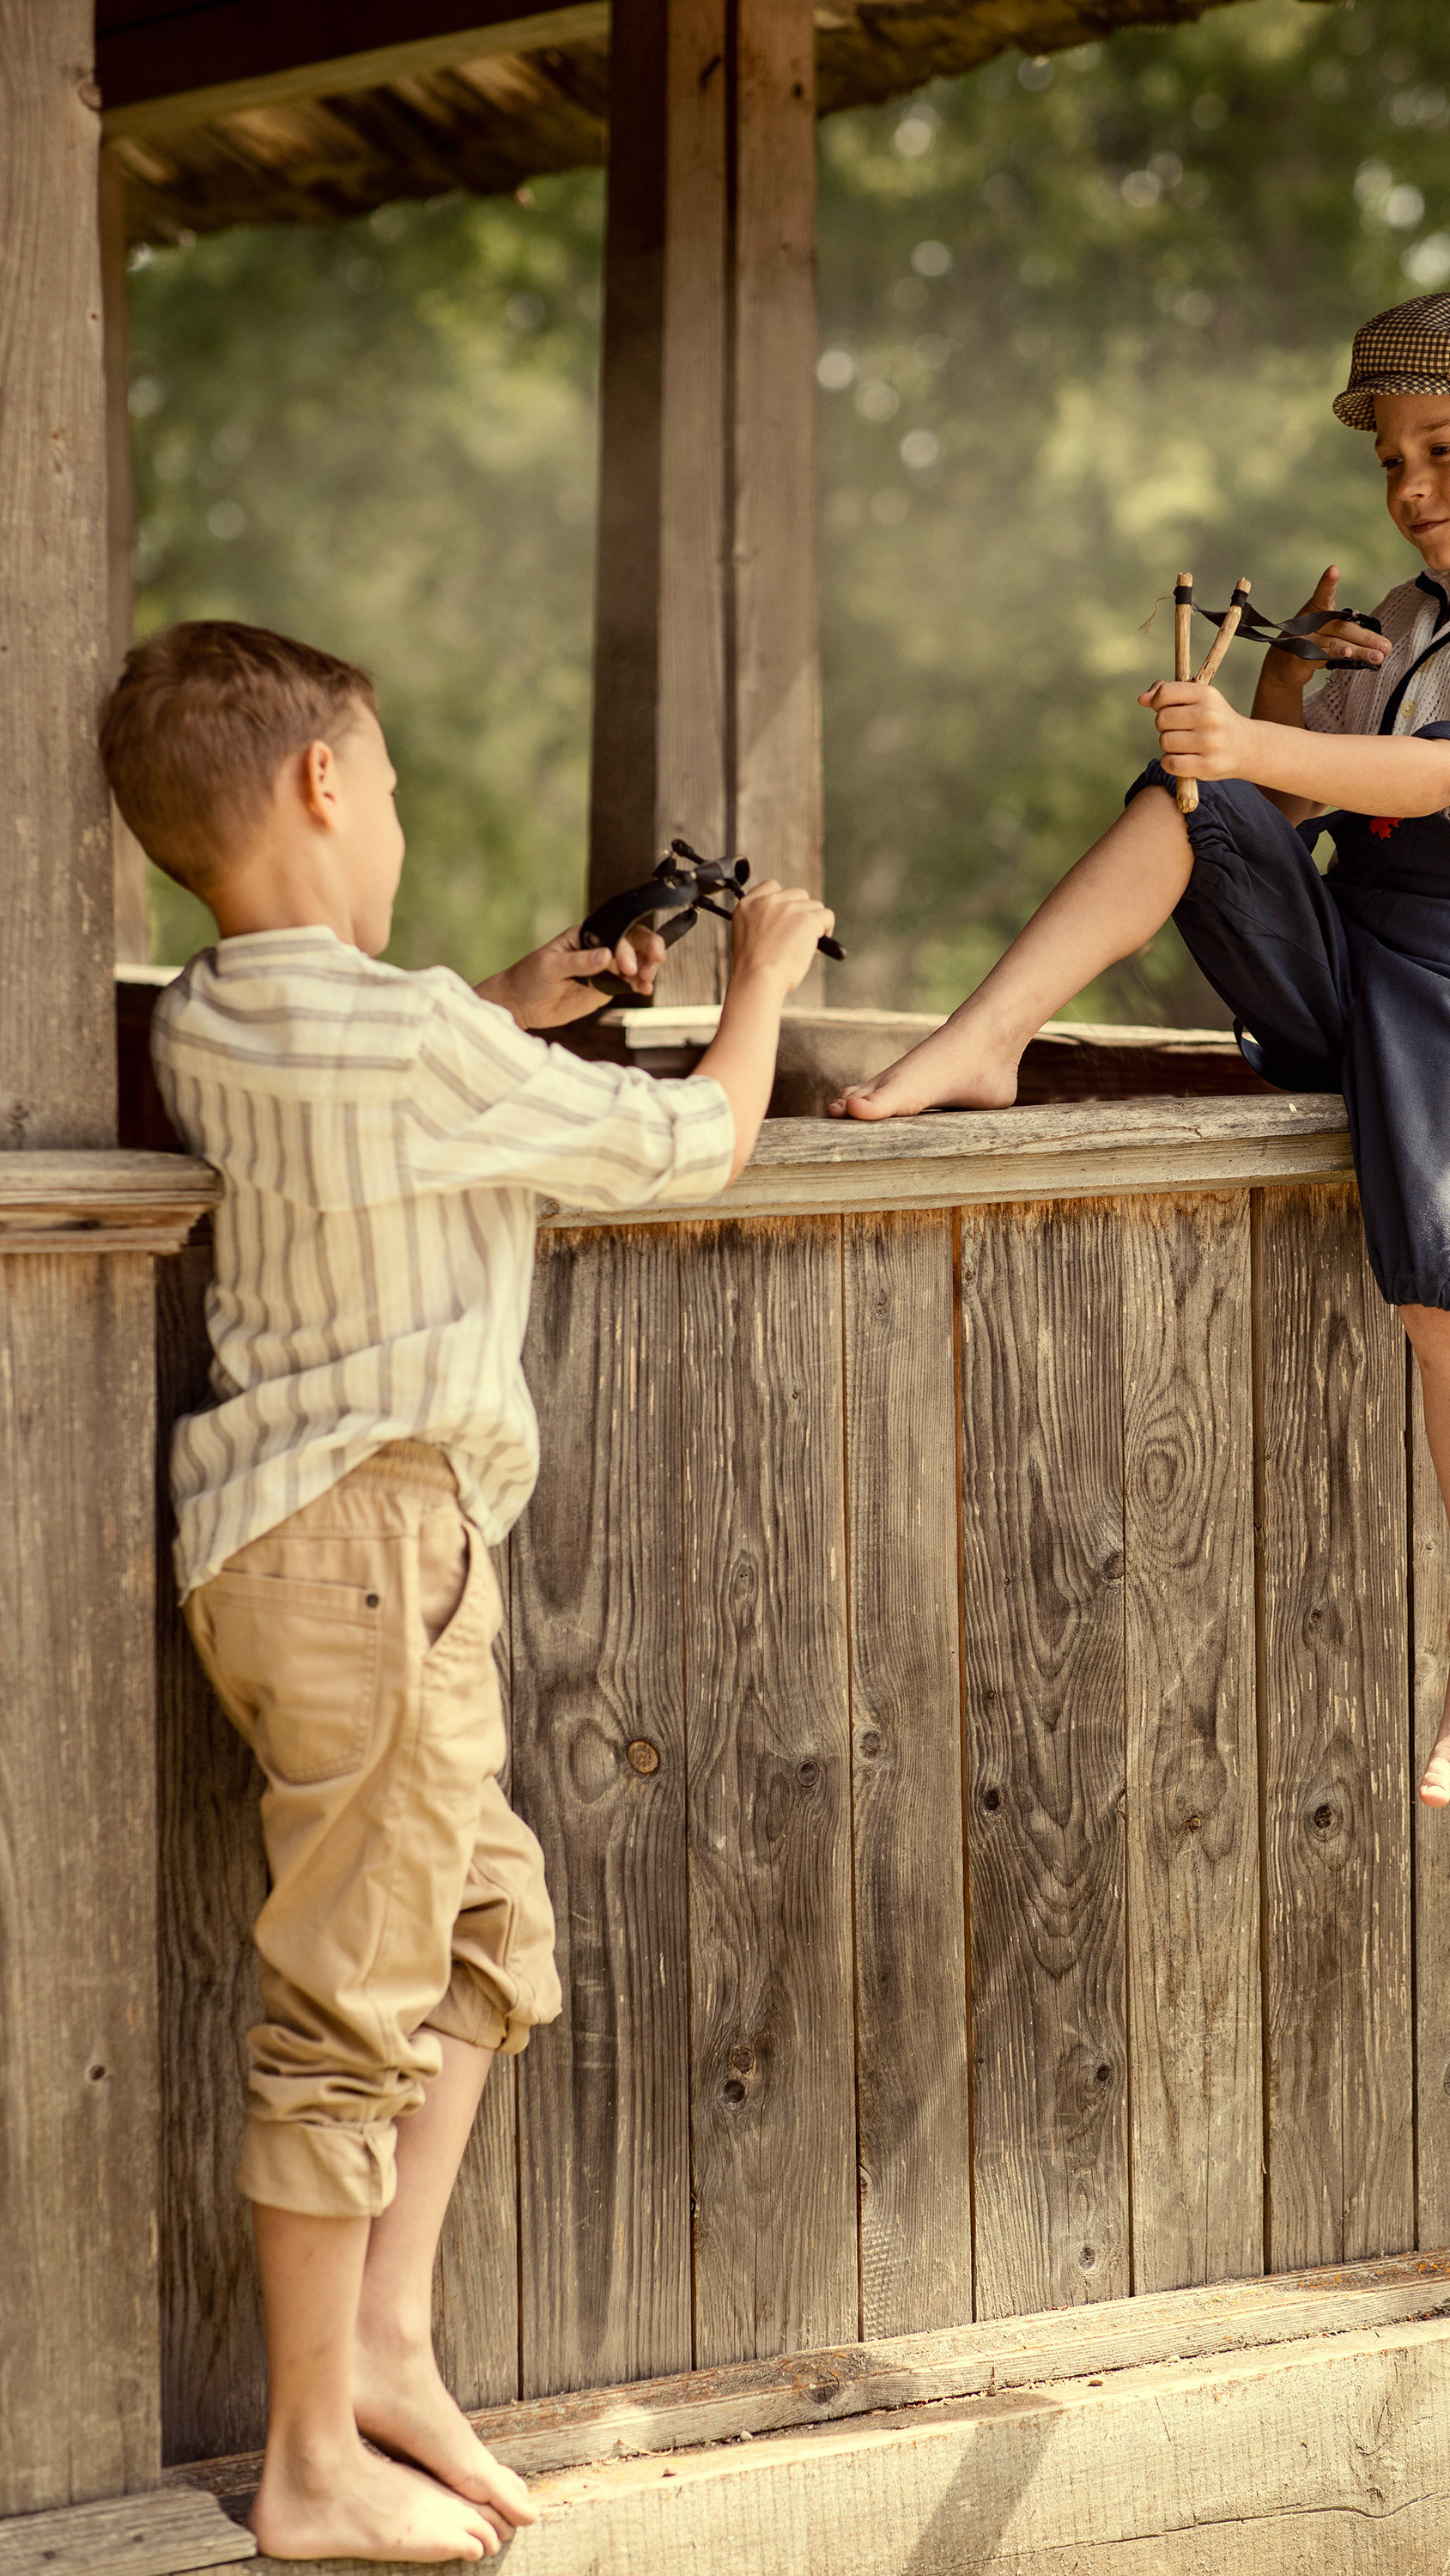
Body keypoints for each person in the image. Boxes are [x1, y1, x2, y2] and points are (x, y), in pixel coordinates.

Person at [100, 621, 834, 2565]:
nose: (403, 813)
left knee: (479, 1934)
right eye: (397, 779)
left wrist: (515, 998)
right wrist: (760, 979)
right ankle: (306, 2469)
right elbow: (698, 1145)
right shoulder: (411, 1036)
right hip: (378, 1544)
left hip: (309, 1550)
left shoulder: (211, 1011)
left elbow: (383, 1070)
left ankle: (389, 2354)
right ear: (329, 783)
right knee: (354, 1996)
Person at [829, 285, 1450, 1821]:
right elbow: (1303, 807)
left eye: (1443, 450)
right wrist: (1260, 720)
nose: (1409, 489)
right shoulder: (1404, 620)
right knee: (1191, 800)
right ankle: (989, 1035)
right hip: (1359, 945)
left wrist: (1265, 748)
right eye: (1391, 458)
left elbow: (1426, 771)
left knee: (1446, 1289)